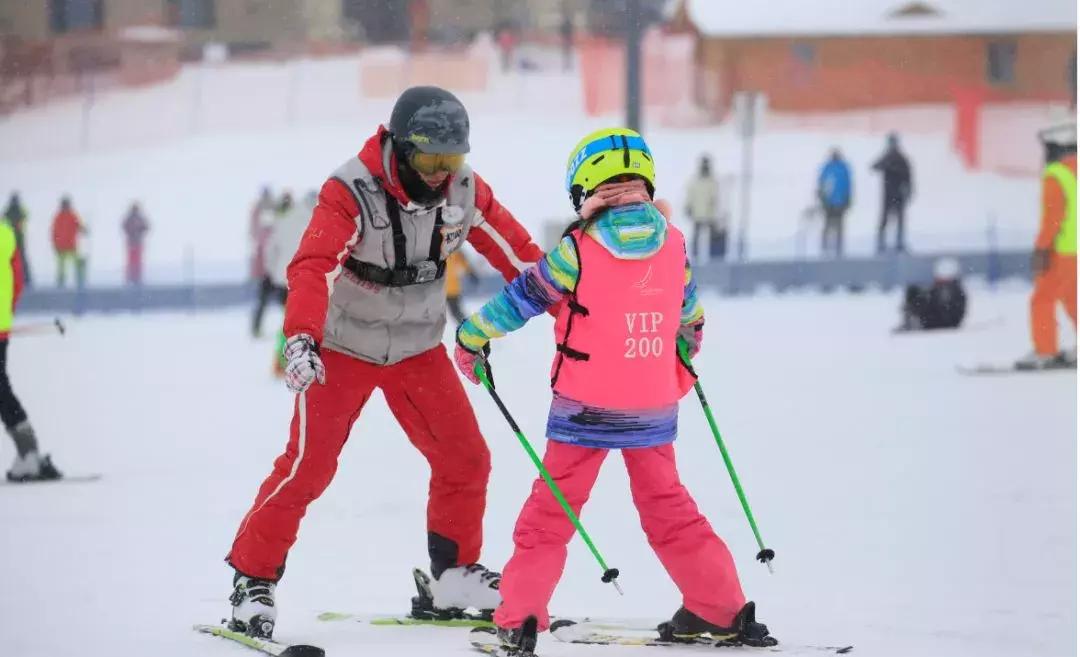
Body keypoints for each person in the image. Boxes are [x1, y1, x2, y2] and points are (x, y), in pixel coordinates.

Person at [224, 86, 545, 638]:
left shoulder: (463, 191)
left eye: (453, 160)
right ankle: (252, 580)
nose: (443, 173)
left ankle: (454, 576)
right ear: (400, 147)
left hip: (417, 349)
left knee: (466, 459)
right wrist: (301, 338)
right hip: (344, 346)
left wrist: (578, 301)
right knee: (308, 467)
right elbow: (313, 265)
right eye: (431, 160)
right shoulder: (350, 190)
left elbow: (522, 257)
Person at [453, 128, 775, 654]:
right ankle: (718, 608)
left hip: (584, 410)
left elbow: (522, 299)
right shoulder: (673, 242)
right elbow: (689, 316)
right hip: (652, 406)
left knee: (551, 514)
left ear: (585, 187)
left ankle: (520, 618)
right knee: (670, 507)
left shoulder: (576, 249)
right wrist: (679, 349)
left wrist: (471, 337)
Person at [0, 209, 61, 482]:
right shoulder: (6, 234)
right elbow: (18, 282)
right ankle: (29, 454)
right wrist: (6, 314)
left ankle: (30, 455)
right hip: (1, 327)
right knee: (1, 390)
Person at [1017, 123, 1077, 369]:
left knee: (1042, 299)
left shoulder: (1056, 174)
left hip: (1061, 251)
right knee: (1074, 299)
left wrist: (1041, 249)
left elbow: (1053, 218)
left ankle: (1046, 351)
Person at [264, 191, 315, 376]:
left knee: (288, 321)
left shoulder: (285, 219)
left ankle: (281, 362)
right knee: (309, 321)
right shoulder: (316, 218)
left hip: (282, 279)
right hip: (305, 279)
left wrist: (273, 273)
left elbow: (271, 250)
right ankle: (287, 362)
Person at [251, 192, 293, 338]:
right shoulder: (276, 225)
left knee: (285, 306)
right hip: (275, 272)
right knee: (283, 305)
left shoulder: (279, 225)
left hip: (277, 272)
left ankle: (287, 331)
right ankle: (259, 329)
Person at [897, 258, 967, 332]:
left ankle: (913, 321)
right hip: (938, 320)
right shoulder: (951, 289)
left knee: (914, 293)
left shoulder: (948, 290)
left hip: (940, 322)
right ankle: (913, 320)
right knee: (914, 292)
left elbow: (944, 309)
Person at [871, 133, 913, 254]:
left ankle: (898, 242)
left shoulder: (900, 158)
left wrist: (909, 190)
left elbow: (908, 177)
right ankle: (882, 242)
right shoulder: (889, 157)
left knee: (898, 219)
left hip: (897, 194)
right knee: (886, 219)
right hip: (890, 194)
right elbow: (874, 166)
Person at [685, 155, 725, 262]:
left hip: (710, 214)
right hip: (698, 214)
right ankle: (695, 257)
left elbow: (716, 197)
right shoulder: (695, 180)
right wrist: (688, 206)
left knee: (712, 238)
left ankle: (713, 258)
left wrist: (717, 212)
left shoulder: (713, 181)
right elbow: (690, 195)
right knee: (697, 237)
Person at [817, 148, 852, 257]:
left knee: (836, 224)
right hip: (833, 201)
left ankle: (836, 247)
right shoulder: (837, 168)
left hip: (836, 201)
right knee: (831, 224)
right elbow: (822, 184)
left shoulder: (836, 168)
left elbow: (847, 185)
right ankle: (827, 247)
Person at [50, 197, 85, 288]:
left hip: (70, 244)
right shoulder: (59, 216)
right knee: (61, 265)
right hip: (61, 245)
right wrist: (54, 243)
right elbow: (54, 231)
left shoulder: (72, 215)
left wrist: (84, 230)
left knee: (75, 262)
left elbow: (79, 226)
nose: (65, 206)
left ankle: (79, 279)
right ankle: (61, 281)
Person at [3, 193, 30, 287]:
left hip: (14, 238)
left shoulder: (9, 211)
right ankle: (25, 279)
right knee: (18, 259)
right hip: (14, 238)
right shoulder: (12, 211)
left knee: (17, 259)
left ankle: (25, 279)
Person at [445, 250, 478, 325]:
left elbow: (463, 262)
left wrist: (471, 273)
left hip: (451, 289)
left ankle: (469, 329)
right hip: (440, 290)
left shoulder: (455, 251)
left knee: (456, 312)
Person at [121, 202, 150, 286]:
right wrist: (132, 231)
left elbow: (146, 227)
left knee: (137, 261)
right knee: (131, 261)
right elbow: (124, 226)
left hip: (137, 242)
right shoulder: (130, 218)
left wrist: (140, 230)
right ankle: (130, 277)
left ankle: (137, 278)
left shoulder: (139, 218)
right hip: (132, 242)